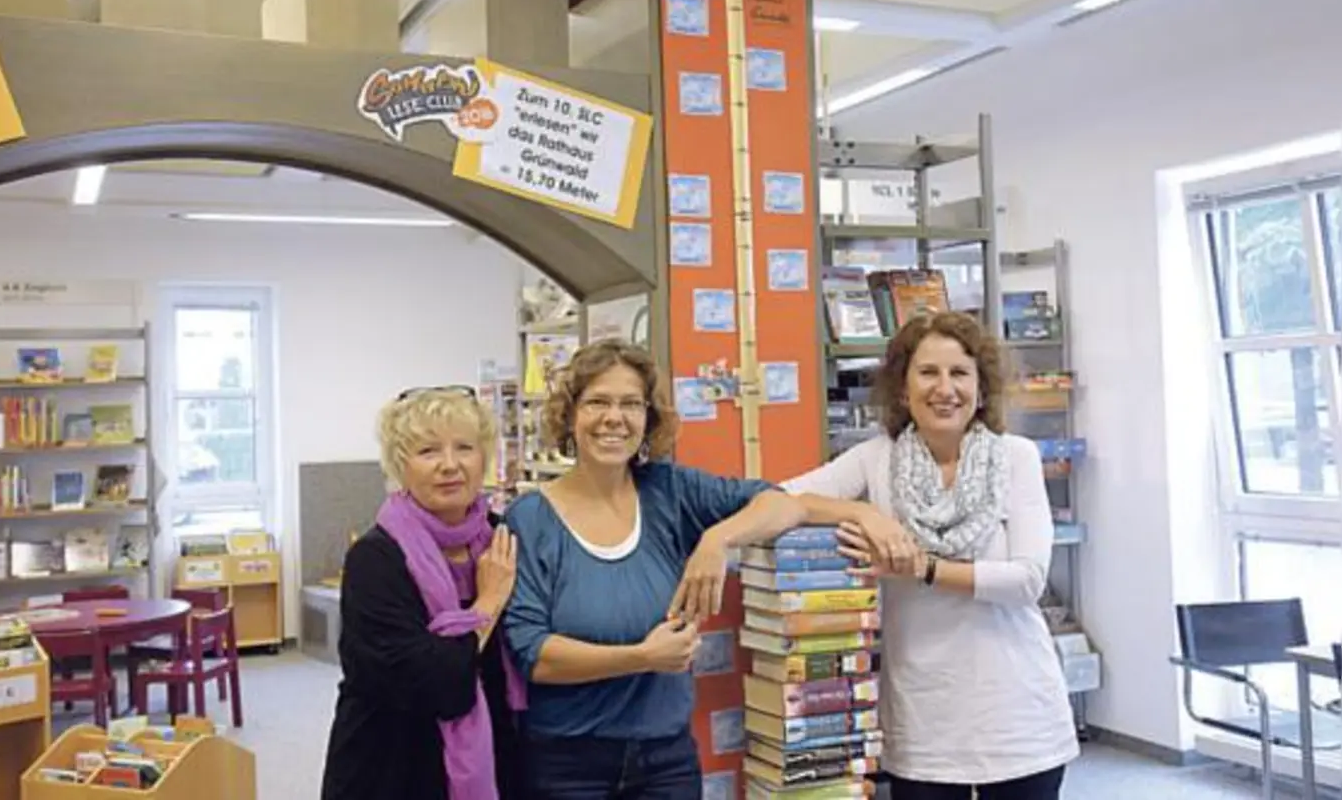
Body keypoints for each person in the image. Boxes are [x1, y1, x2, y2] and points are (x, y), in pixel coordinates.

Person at [501, 339, 917, 800]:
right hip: (567, 764)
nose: (614, 418)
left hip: (665, 760)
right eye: (597, 402)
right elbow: (533, 654)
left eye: (631, 404)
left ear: (648, 418)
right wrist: (642, 657)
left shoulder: (669, 491)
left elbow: (779, 503)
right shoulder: (531, 518)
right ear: (570, 415)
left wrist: (718, 538)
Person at [783, 311, 1079, 800]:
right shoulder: (875, 458)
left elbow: (1026, 581)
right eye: (928, 372)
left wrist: (924, 568)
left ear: (982, 390)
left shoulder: (1016, 457)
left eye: (960, 373)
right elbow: (782, 499)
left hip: (1019, 721)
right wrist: (866, 518)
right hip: (924, 722)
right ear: (902, 388)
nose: (945, 388)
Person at [321, 386, 524, 800]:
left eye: (465, 447)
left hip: (496, 759)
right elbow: (431, 683)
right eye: (428, 451)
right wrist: (486, 605)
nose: (450, 465)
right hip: (391, 769)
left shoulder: (503, 537)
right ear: (400, 466)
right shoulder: (376, 559)